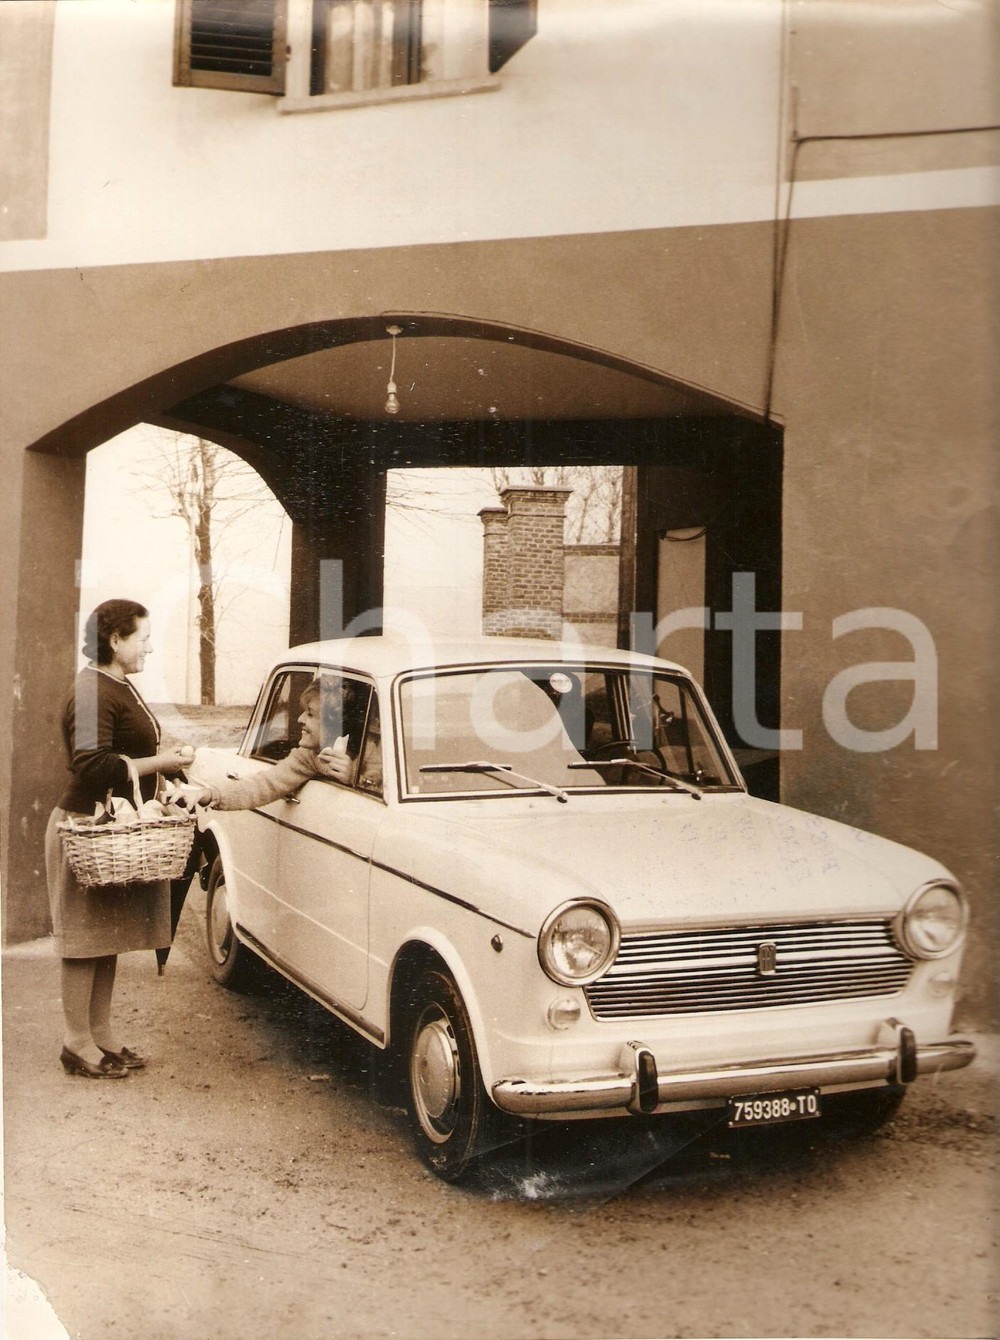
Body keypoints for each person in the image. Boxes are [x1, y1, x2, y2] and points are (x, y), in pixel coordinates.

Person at [45, 600, 193, 1079]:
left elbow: (127, 748)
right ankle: (75, 1041)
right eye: (142, 638)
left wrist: (165, 755)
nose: (149, 647)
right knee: (84, 939)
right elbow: (91, 765)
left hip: (108, 828)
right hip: (83, 829)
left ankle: (102, 1035)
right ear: (115, 640)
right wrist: (161, 764)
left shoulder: (116, 684)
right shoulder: (91, 690)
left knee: (104, 936)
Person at [186, 678, 355, 811]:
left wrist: (354, 777)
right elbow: (264, 785)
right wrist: (209, 794)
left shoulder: (370, 756)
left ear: (333, 725)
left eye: (310, 714)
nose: (300, 719)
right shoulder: (307, 757)